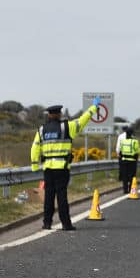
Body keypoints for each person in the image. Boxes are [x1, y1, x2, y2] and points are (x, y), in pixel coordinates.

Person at [31, 98, 100, 230]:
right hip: (62, 168)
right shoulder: (67, 127)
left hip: (48, 169)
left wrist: (35, 165)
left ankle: (47, 223)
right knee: (62, 196)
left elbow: (35, 147)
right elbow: (83, 120)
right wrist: (93, 108)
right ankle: (66, 224)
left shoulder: (41, 130)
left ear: (49, 115)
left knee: (49, 197)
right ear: (59, 114)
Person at [118, 126, 140, 193]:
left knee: (124, 176)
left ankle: (125, 190)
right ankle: (131, 189)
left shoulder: (122, 141)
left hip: (124, 161)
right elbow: (137, 151)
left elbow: (120, 151)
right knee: (132, 176)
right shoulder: (135, 142)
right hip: (132, 161)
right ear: (132, 134)